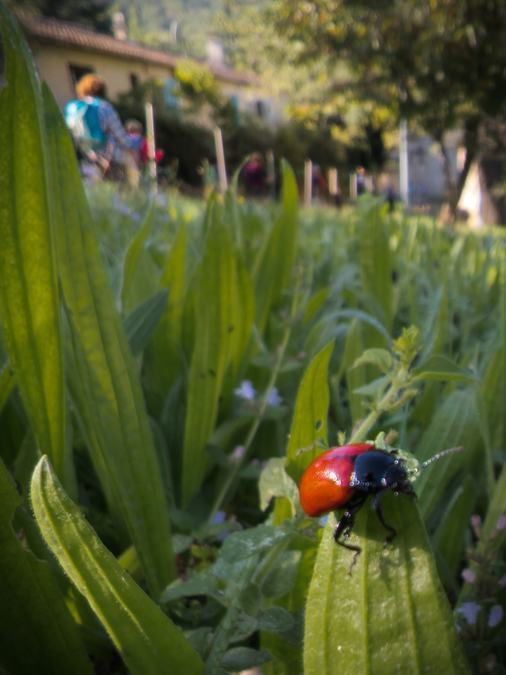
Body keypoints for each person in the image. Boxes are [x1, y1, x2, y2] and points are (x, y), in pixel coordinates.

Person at [64, 74, 138, 184]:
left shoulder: (72, 108)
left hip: (84, 158)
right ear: (101, 90)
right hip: (109, 159)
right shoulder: (104, 107)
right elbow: (119, 134)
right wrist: (132, 147)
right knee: (119, 194)